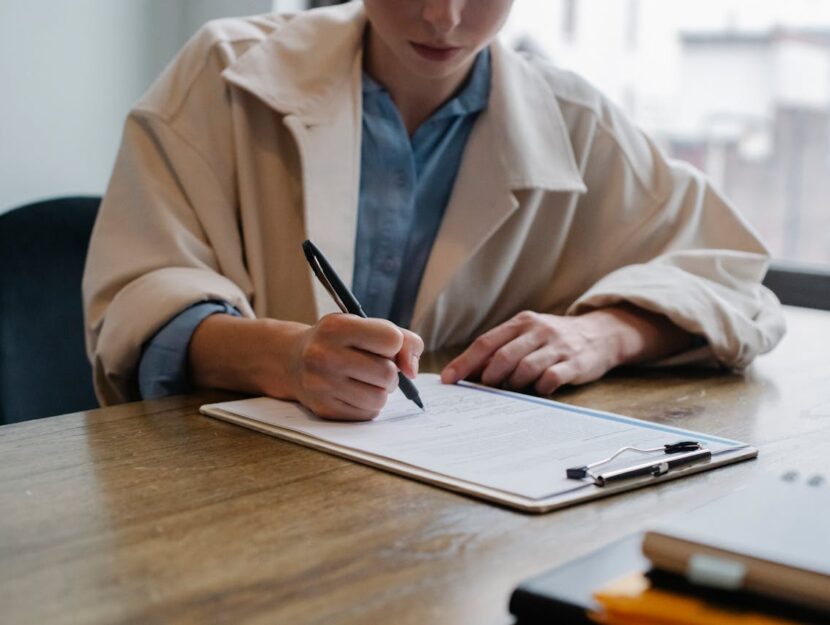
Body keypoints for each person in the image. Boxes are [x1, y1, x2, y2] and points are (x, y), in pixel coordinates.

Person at [83, 0, 785, 421]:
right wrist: (288, 359)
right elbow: (138, 303)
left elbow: (736, 281)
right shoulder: (221, 73)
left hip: (460, 519)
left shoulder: (578, 125)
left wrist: (605, 333)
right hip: (229, 499)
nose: (444, 18)